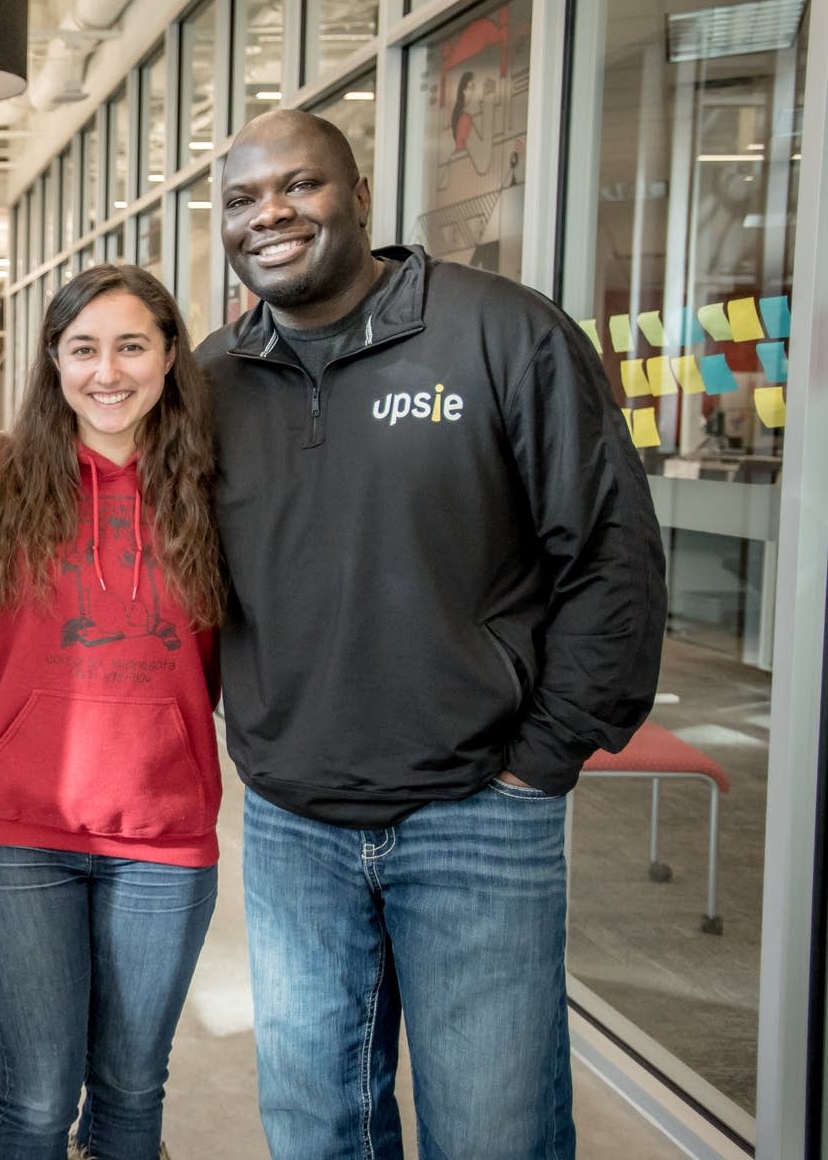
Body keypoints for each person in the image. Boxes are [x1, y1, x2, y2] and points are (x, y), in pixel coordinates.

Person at [202, 109, 666, 1158]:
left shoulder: (499, 331)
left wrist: (541, 762)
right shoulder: (214, 378)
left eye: (299, 186)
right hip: (290, 824)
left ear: (358, 196)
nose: (267, 213)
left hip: (475, 814)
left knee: (489, 1132)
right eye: (240, 198)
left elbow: (609, 554)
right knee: (314, 1129)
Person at [0, 264, 223, 1160]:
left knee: (130, 1093)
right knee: (34, 1101)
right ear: (53, 363)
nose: (106, 372)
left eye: (131, 346)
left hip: (164, 836)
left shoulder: (220, 488)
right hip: (19, 834)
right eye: (83, 349)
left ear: (169, 357)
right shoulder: (0, 481)